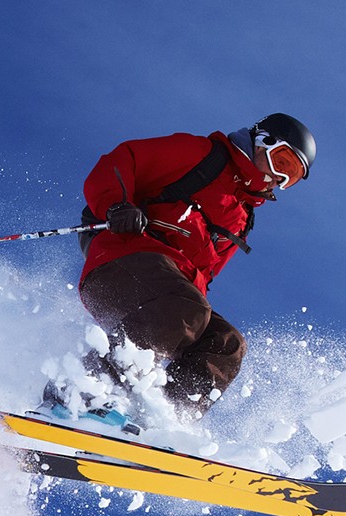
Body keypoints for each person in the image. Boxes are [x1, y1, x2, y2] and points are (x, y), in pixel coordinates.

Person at [48, 113, 315, 426]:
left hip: (169, 295)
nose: (278, 179)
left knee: (226, 342)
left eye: (290, 177)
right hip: (123, 258)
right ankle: (81, 391)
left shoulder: (241, 218)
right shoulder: (204, 157)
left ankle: (161, 419)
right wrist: (116, 204)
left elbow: (202, 278)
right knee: (187, 309)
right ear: (262, 142)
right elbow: (122, 160)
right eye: (281, 163)